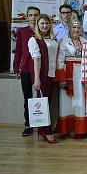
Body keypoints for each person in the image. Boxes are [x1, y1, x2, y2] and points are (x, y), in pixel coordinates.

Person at [28, 14, 59, 143]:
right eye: (42, 24)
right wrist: (37, 79)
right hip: (42, 75)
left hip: (52, 74)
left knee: (48, 101)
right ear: (37, 25)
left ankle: (43, 130)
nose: (45, 26)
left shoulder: (52, 39)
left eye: (47, 23)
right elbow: (37, 60)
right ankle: (45, 131)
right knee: (43, 103)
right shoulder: (34, 40)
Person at [55, 19, 87, 139]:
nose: (76, 30)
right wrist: (62, 79)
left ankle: (80, 128)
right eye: (73, 28)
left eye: (78, 27)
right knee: (68, 101)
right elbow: (59, 60)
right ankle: (69, 128)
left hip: (82, 74)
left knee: (80, 100)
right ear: (69, 29)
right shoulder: (64, 41)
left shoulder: (85, 41)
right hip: (68, 72)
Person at [13, 6, 40, 136]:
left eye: (36, 15)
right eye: (31, 15)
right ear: (27, 16)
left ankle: (42, 124)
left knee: (42, 98)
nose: (33, 17)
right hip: (25, 69)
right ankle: (28, 125)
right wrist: (15, 68)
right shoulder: (22, 32)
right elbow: (18, 50)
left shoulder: (44, 31)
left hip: (40, 70)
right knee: (28, 98)